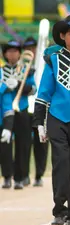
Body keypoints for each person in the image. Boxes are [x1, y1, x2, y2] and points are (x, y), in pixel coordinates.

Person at [33, 15, 70, 225]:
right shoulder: (52, 60)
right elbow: (44, 92)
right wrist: (39, 121)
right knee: (60, 163)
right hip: (57, 117)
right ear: (63, 36)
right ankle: (59, 210)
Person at [1, 40, 36, 190]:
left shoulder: (27, 70)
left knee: (23, 145)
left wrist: (20, 84)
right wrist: (5, 85)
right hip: (5, 111)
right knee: (4, 145)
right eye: (9, 51)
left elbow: (34, 89)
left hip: (22, 109)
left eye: (15, 51)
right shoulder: (1, 71)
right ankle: (7, 176)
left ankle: (20, 177)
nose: (12, 54)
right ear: (5, 54)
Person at [22, 37, 47, 187]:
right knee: (24, 143)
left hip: (41, 108)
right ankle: (24, 174)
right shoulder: (21, 66)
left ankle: (39, 175)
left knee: (41, 144)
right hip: (26, 109)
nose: (30, 50)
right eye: (27, 48)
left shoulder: (44, 63)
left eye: (33, 48)